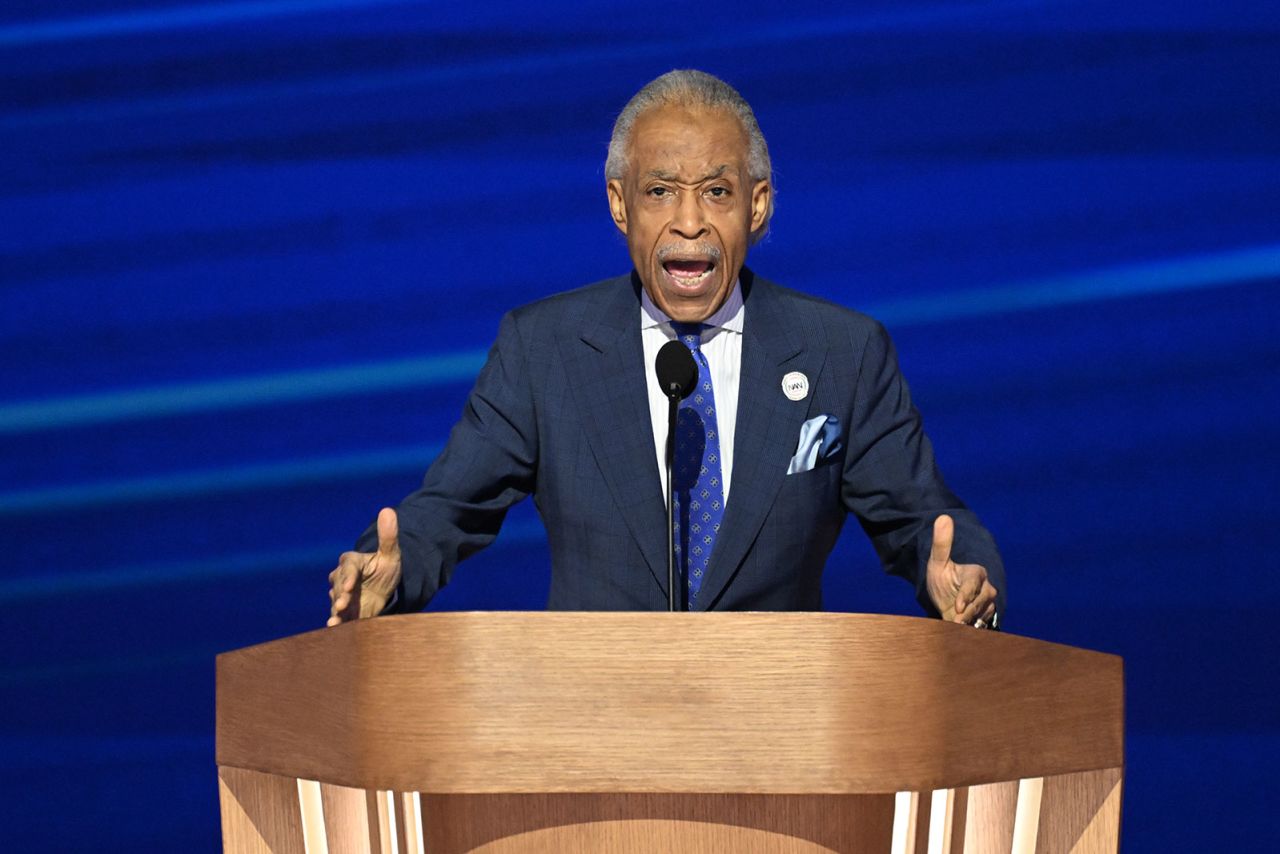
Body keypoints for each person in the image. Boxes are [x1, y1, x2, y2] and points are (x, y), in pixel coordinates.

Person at [328, 70, 1004, 626]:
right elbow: (449, 509)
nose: (689, 223)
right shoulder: (546, 350)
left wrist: (965, 575)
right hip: (598, 740)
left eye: (717, 191)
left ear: (758, 206)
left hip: (778, 744)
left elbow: (923, 519)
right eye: (660, 192)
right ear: (620, 206)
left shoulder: (842, 353)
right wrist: (391, 572)